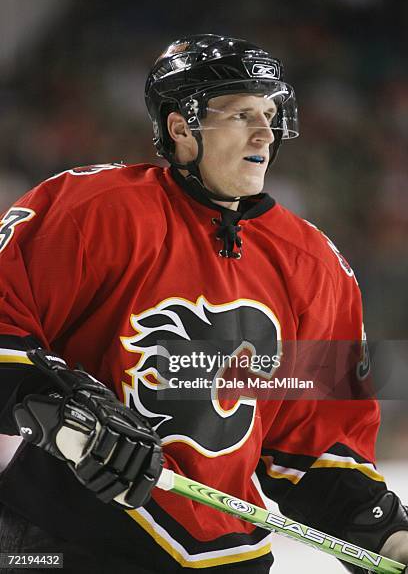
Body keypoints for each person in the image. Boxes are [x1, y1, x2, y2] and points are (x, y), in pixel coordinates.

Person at [0, 34, 407, 574]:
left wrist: (386, 538)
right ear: (180, 128)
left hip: (228, 561)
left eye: (270, 113)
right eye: (241, 114)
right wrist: (63, 410)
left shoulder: (316, 266)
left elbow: (317, 450)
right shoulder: (91, 211)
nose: (265, 132)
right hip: (60, 545)